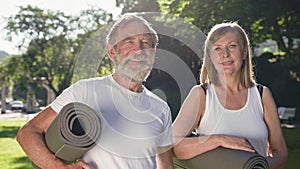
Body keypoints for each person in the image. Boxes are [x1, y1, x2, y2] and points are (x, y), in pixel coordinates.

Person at [17, 13, 174, 169]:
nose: (138, 50)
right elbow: (28, 132)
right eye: (129, 41)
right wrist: (56, 166)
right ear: (112, 52)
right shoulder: (84, 91)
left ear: (153, 51)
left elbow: (165, 166)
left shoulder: (161, 108)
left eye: (146, 42)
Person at [172, 22, 288, 169]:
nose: (225, 54)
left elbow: (280, 152)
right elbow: (171, 145)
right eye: (217, 48)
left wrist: (259, 167)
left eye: (232, 46)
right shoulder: (202, 95)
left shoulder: (262, 95)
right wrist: (219, 140)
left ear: (245, 51)